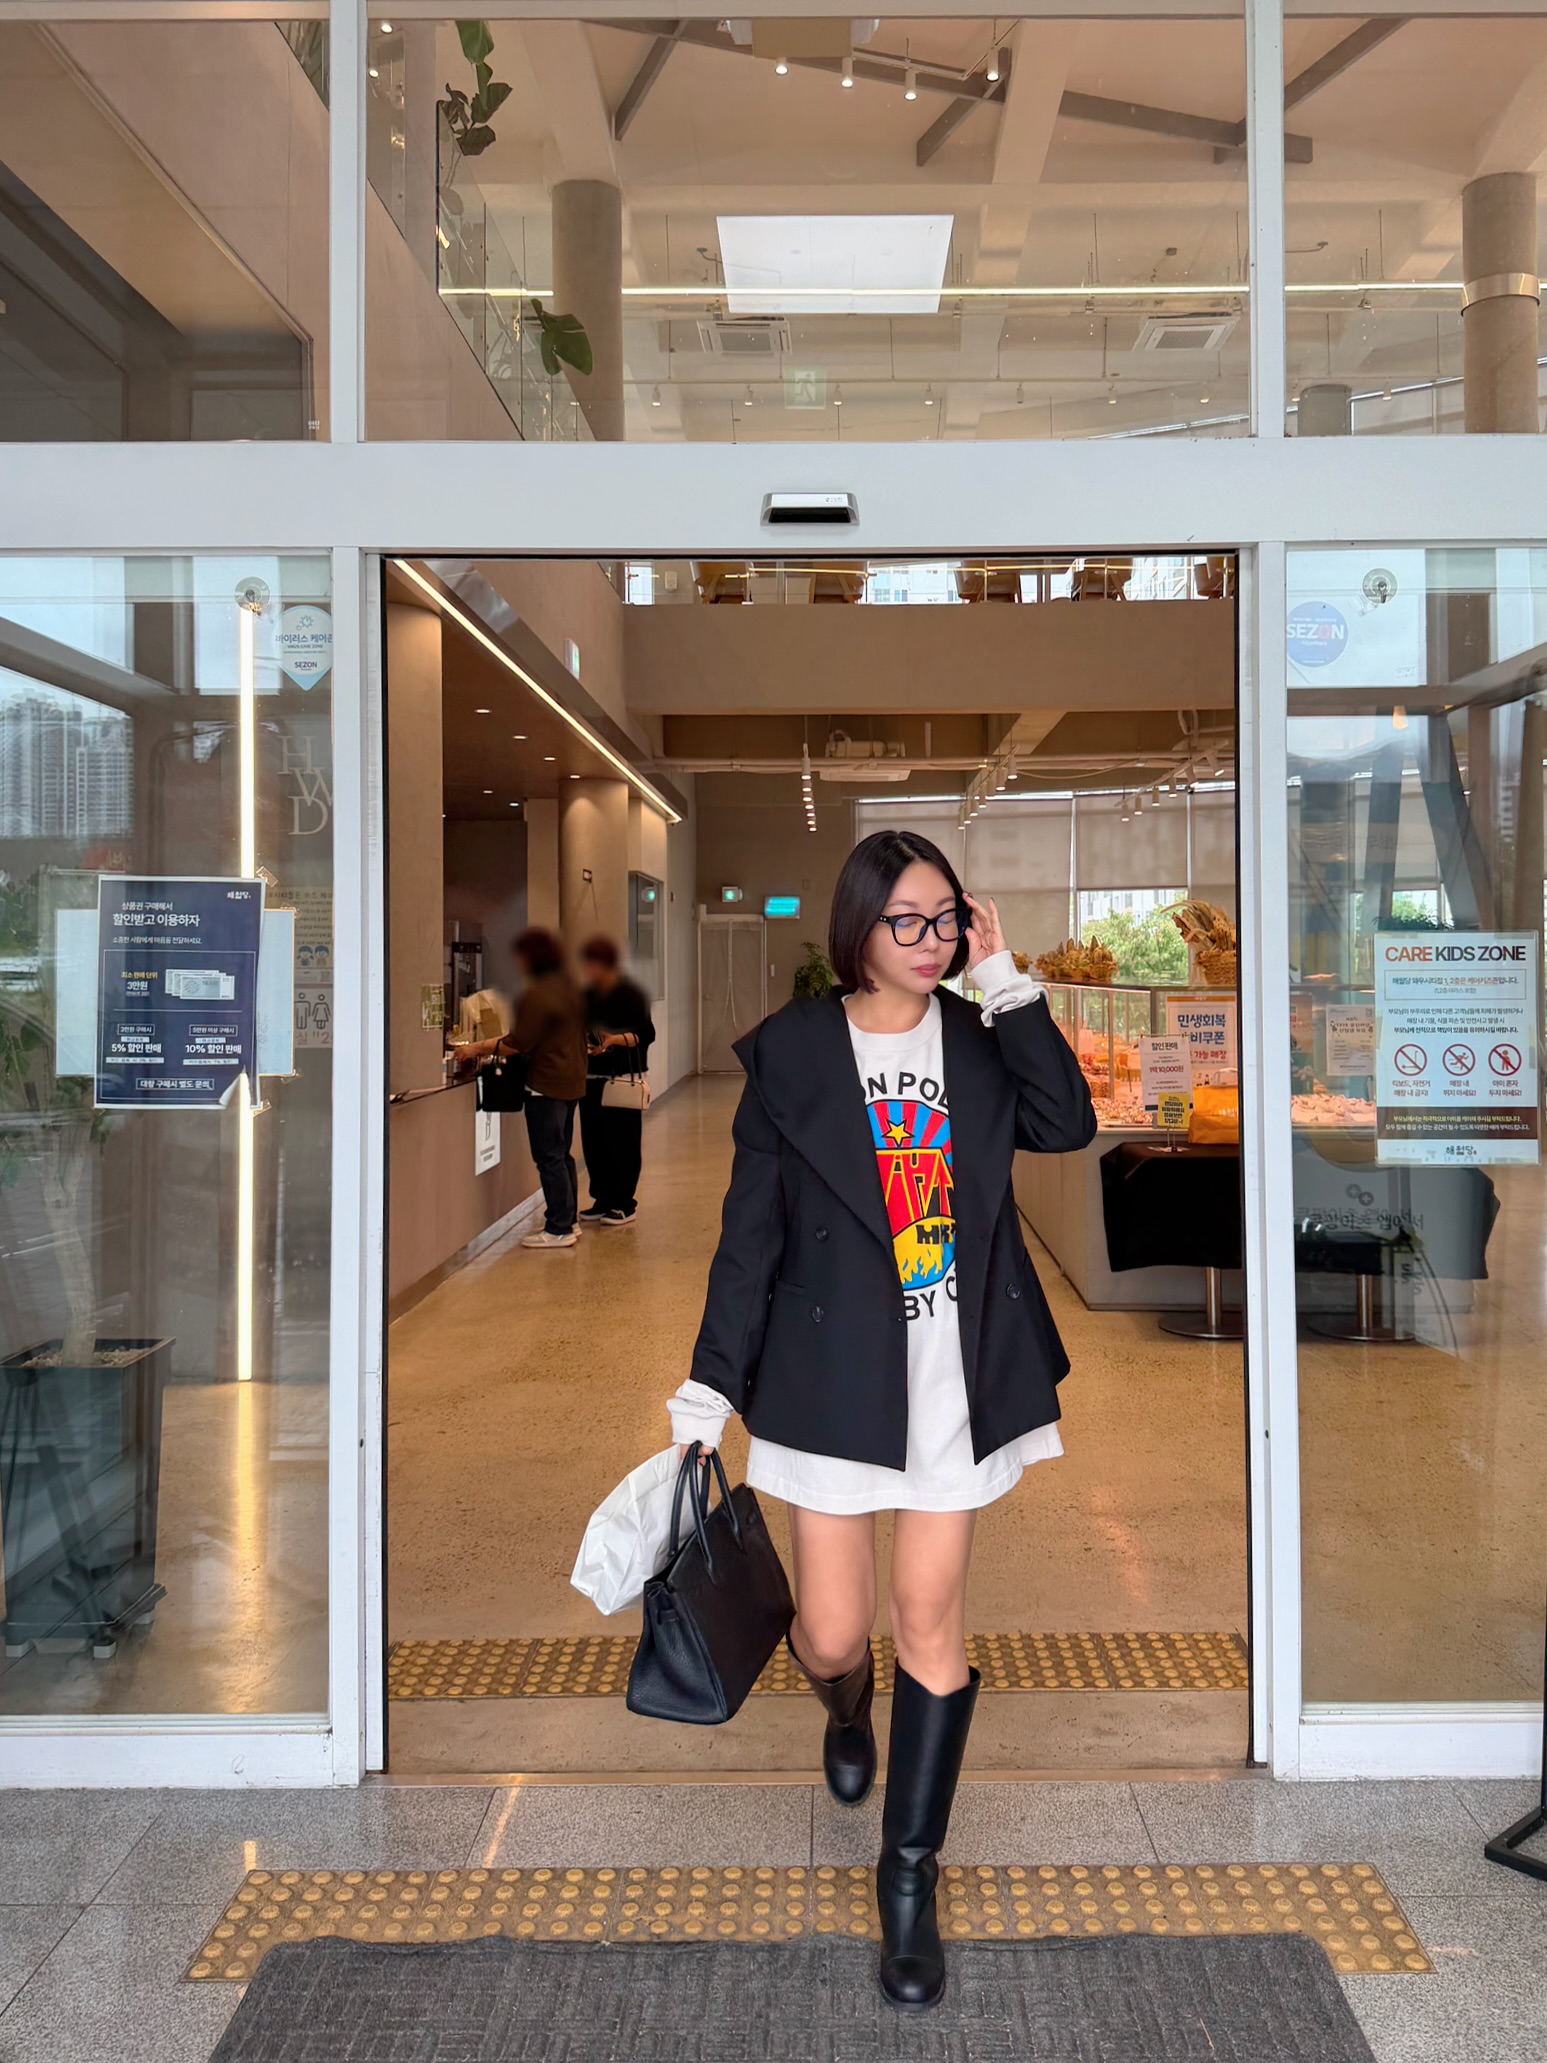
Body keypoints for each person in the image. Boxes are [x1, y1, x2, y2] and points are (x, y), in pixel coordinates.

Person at [665, 829, 1096, 2011]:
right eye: (908, 919)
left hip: (955, 1371)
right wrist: (709, 1388)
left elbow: (1065, 1123)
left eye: (946, 918)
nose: (931, 939)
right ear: (857, 926)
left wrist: (1005, 981)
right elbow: (748, 1234)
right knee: (832, 1629)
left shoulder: (981, 1034)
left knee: (928, 1620)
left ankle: (908, 1879)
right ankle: (843, 1705)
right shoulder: (793, 1051)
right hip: (829, 1371)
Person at [465, 927, 587, 1250]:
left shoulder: (538, 994)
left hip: (545, 1085)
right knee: (562, 1155)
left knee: (549, 1158)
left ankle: (559, 1227)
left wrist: (476, 1048)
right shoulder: (569, 988)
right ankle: (569, 1219)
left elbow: (516, 1043)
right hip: (571, 1082)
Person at [578, 934, 656, 1227]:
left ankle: (624, 1202)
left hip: (622, 1079)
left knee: (622, 1142)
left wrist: (614, 1040)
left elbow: (646, 1034)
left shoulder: (630, 995)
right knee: (594, 1142)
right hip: (591, 1077)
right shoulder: (587, 995)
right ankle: (602, 1199)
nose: (589, 970)